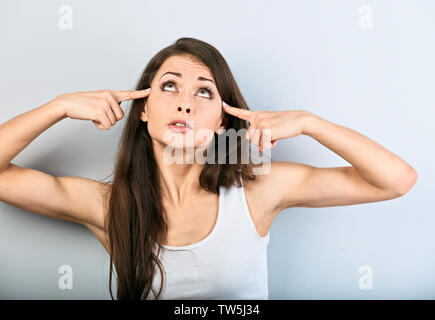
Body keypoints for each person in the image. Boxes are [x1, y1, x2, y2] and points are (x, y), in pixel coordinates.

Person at [0, 37, 418, 300]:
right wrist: (57, 107)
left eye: (204, 91)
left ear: (221, 120)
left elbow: (397, 180)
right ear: (143, 109)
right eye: (169, 85)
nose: (185, 102)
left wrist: (311, 123)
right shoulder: (109, 206)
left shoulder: (258, 191)